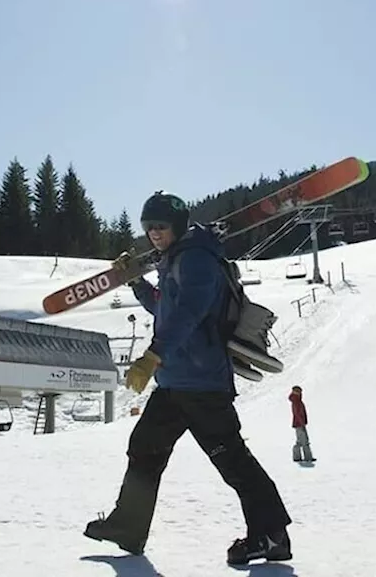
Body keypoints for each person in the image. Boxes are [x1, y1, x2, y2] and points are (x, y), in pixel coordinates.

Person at [85, 192, 292, 566]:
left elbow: (189, 314)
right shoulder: (177, 258)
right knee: (144, 447)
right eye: (148, 228)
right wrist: (136, 283)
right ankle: (128, 527)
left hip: (201, 384)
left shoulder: (196, 258)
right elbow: (166, 308)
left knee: (233, 461)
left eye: (160, 227)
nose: (154, 234)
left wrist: (152, 356)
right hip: (176, 381)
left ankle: (272, 536)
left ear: (177, 226)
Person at [289, 386, 313, 462]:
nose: (300, 393)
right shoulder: (296, 401)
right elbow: (298, 413)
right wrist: (302, 423)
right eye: (298, 391)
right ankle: (307, 458)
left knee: (300, 441)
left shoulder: (297, 401)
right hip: (299, 424)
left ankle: (298, 457)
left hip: (299, 423)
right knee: (304, 441)